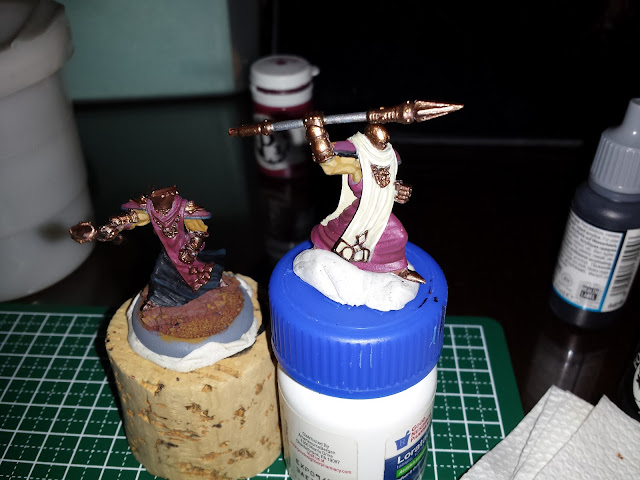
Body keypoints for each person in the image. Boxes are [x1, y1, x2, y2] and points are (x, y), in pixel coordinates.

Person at [304, 114, 424, 283]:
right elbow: (329, 165)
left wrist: (398, 190)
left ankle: (397, 269)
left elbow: (385, 186)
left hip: (379, 210)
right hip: (361, 211)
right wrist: (316, 132)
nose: (382, 147)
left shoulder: (389, 158)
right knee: (342, 234)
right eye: (379, 144)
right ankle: (321, 251)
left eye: (384, 144)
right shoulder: (357, 163)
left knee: (397, 236)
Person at [70, 186, 225, 308]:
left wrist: (191, 248)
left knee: (192, 270)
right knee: (163, 274)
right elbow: (136, 218)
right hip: (168, 250)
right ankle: (161, 301)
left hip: (183, 247)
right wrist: (117, 224)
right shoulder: (150, 208)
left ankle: (210, 288)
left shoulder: (186, 209)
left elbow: (199, 230)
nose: (161, 208)